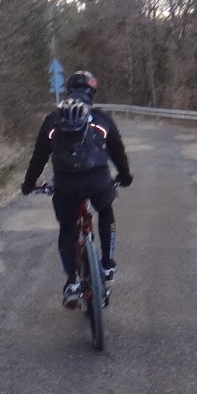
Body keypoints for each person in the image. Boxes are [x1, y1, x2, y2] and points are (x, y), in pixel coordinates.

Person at [20, 70, 133, 307]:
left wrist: (29, 183)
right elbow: (117, 153)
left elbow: (39, 157)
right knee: (105, 211)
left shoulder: (53, 120)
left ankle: (72, 282)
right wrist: (124, 176)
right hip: (98, 181)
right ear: (91, 92)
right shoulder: (101, 119)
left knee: (67, 228)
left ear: (69, 91)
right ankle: (107, 264)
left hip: (65, 185)